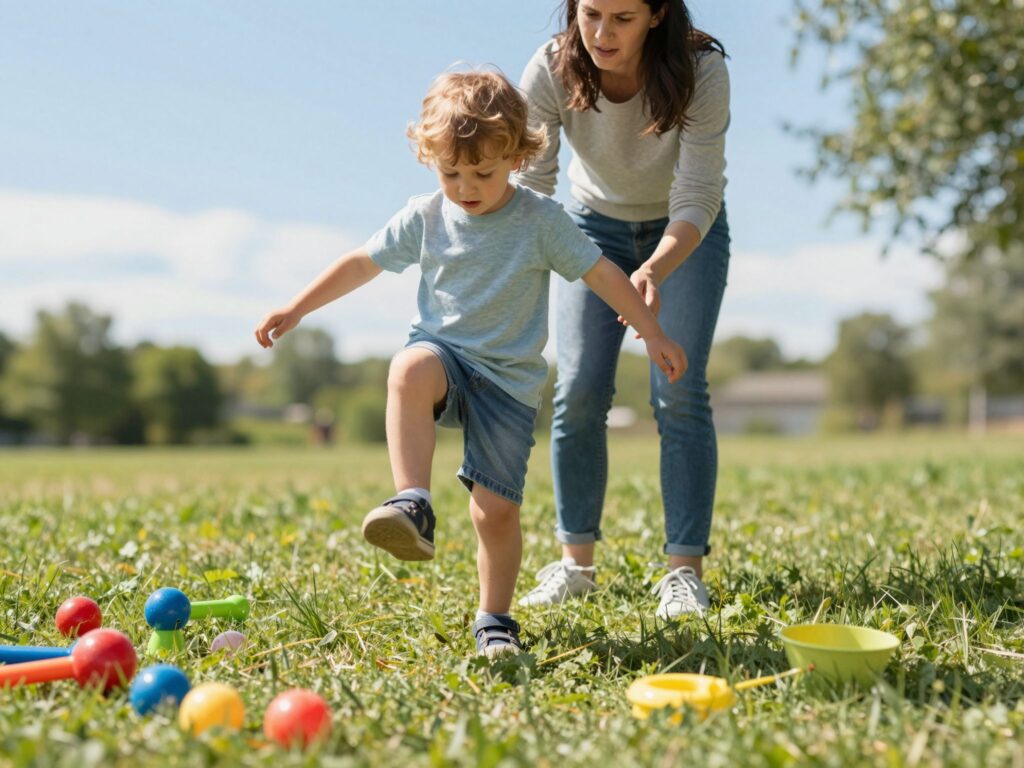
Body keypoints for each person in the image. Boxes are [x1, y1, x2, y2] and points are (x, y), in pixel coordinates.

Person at [254, 71, 688, 658]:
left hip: (508, 385)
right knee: (408, 369)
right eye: (450, 172)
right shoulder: (426, 216)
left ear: (515, 154)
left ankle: (495, 619)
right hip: (447, 359)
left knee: (496, 513)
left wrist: (652, 330)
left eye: (482, 172)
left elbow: (601, 273)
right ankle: (412, 500)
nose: (465, 187)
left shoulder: (540, 221)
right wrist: (297, 306)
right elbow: (362, 262)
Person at [515, 0, 731, 619]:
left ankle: (683, 573)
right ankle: (575, 566)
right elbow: (532, 185)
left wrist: (654, 269)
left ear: (658, 14)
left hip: (685, 230)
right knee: (578, 388)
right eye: (591, 13)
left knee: (679, 390)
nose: (602, 34)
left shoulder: (701, 70)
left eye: (624, 18)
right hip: (589, 228)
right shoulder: (553, 68)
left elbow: (697, 190)